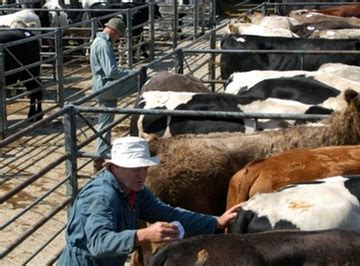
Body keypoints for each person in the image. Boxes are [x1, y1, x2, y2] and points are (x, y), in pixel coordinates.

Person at [58, 136, 241, 265]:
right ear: (115, 167)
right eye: (134, 168)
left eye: (144, 168)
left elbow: (168, 212)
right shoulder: (102, 196)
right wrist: (143, 235)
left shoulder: (135, 191)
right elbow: (99, 243)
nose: (142, 174)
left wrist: (215, 221)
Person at [90, 17, 146, 172]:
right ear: (114, 31)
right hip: (107, 87)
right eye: (119, 35)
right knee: (142, 81)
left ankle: (99, 156)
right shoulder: (103, 44)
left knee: (105, 121)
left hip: (100, 86)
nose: (118, 39)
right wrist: (132, 73)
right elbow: (112, 71)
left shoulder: (99, 42)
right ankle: (145, 113)